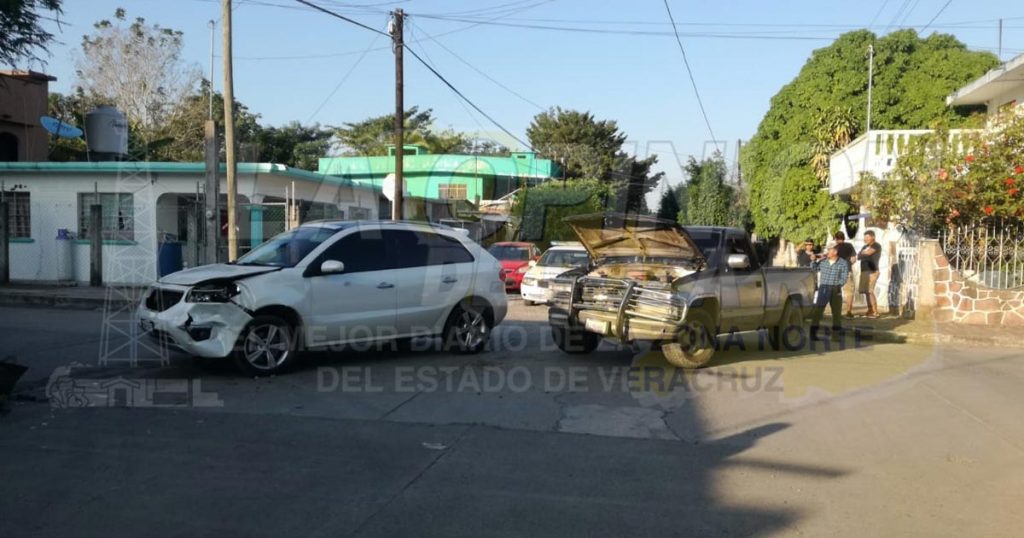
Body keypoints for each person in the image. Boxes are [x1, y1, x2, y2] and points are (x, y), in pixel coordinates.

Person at [810, 243, 850, 340]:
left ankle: (835, 336)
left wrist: (838, 285)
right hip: (824, 288)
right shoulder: (823, 261)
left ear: (835, 252)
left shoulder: (843, 263)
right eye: (827, 250)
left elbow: (844, 277)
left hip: (836, 288)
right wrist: (813, 261)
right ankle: (813, 334)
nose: (827, 252)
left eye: (829, 250)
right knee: (818, 311)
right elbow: (814, 268)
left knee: (836, 313)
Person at [833, 231, 858, 317]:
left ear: (836, 239)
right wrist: (849, 264)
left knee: (837, 293)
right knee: (849, 292)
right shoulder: (849, 246)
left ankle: (836, 312)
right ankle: (848, 312)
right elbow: (854, 259)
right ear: (843, 237)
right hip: (847, 271)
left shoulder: (835, 248)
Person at [858, 230, 882, 318]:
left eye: (867, 237)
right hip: (864, 270)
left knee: (870, 290)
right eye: (864, 237)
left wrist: (863, 253)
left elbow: (868, 253)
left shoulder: (876, 245)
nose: (865, 239)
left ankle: (875, 312)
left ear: (873, 237)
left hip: (872, 271)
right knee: (865, 291)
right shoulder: (865, 246)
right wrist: (862, 253)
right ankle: (870, 310)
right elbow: (859, 256)